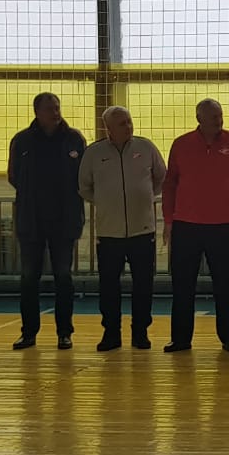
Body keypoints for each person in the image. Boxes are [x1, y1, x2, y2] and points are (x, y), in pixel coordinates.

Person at [162, 99, 229, 353]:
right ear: (199, 119)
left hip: (222, 225)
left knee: (225, 285)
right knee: (182, 286)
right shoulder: (181, 144)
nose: (219, 120)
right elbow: (169, 184)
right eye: (213, 116)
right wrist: (168, 220)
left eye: (220, 115)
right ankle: (180, 339)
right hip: (185, 225)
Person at [79, 106, 166, 351]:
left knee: (143, 285)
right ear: (108, 128)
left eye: (129, 121)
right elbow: (84, 187)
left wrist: (146, 196)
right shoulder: (93, 153)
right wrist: (106, 201)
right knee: (108, 286)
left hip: (143, 230)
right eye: (121, 124)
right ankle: (111, 333)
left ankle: (140, 333)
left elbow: (161, 177)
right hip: (109, 232)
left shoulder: (146, 147)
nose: (128, 127)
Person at [8, 92, 86, 350]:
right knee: (29, 277)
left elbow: (84, 175)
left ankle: (65, 332)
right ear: (37, 112)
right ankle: (28, 333)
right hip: (32, 220)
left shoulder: (74, 139)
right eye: (50, 108)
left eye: (57, 107)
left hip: (64, 220)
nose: (55, 112)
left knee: (63, 276)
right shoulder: (22, 140)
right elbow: (14, 176)